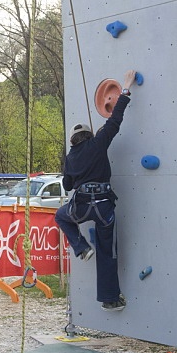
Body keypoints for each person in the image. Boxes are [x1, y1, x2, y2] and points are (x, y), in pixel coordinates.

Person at [55, 70, 137, 312]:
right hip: (103, 207)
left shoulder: (71, 157)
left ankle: (81, 247)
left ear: (73, 141)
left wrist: (72, 170)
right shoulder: (98, 143)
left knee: (60, 216)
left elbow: (67, 186)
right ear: (89, 136)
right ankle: (110, 299)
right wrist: (125, 88)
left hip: (80, 207)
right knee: (107, 251)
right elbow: (115, 119)